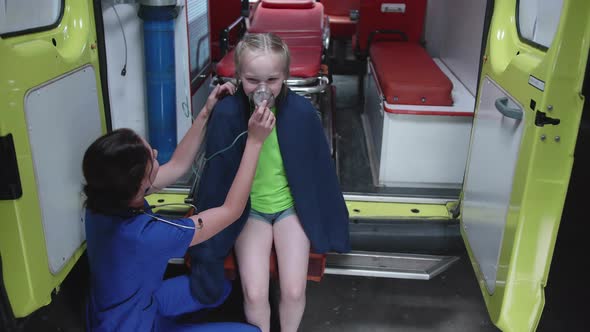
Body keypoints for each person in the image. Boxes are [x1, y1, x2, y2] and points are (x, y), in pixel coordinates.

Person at [188, 33, 350, 332]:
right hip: (248, 210)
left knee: (293, 290)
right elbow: (217, 177)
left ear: (286, 76)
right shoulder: (227, 114)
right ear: (238, 76)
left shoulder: (301, 113)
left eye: (272, 80)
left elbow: (318, 174)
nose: (262, 89)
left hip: (289, 207)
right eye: (251, 80)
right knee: (254, 291)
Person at [82, 82, 275, 331]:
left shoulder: (103, 198)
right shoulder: (148, 234)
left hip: (129, 304)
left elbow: (176, 166)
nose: (155, 151)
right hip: (131, 325)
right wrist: (255, 142)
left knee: (217, 290)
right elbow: (231, 210)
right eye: (151, 157)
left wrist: (205, 112)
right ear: (141, 182)